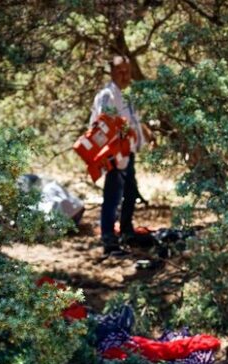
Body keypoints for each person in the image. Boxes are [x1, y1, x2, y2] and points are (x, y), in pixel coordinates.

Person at [89, 55, 148, 256]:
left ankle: (126, 232)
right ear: (112, 72)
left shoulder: (126, 95)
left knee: (130, 193)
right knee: (113, 196)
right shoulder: (107, 95)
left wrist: (145, 134)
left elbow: (134, 121)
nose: (124, 75)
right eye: (120, 71)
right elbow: (106, 123)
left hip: (127, 153)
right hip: (114, 155)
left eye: (127, 71)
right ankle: (109, 240)